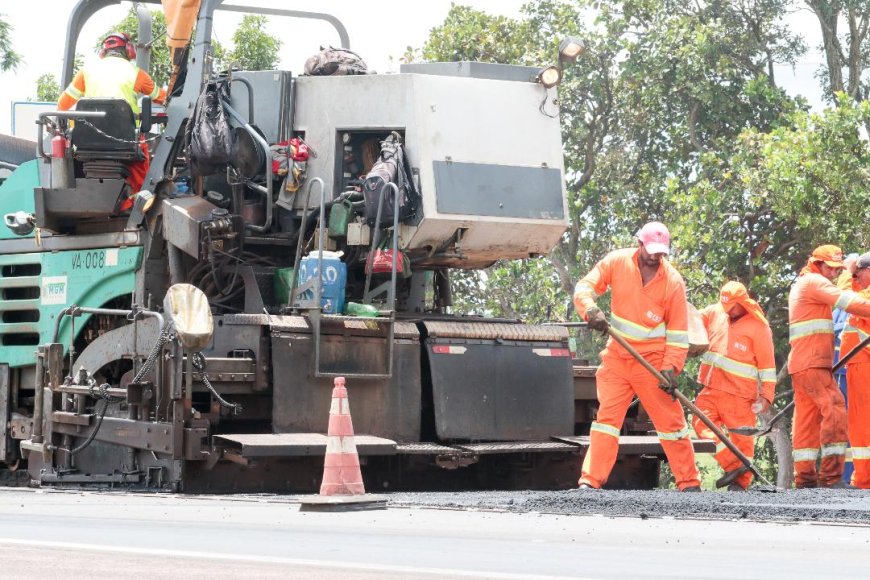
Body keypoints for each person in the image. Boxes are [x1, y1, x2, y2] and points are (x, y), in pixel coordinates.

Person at [573, 221, 700, 491]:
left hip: (652, 363)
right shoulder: (617, 262)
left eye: (661, 253)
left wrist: (671, 368)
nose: (655, 257)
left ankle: (689, 483)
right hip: (618, 358)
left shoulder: (673, 283)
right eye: (651, 251)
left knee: (672, 424)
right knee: (606, 423)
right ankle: (590, 482)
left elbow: (678, 333)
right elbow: (584, 287)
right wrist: (590, 309)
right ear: (639, 243)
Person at [787, 245, 870, 489]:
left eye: (837, 269)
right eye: (831, 268)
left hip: (802, 363)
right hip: (813, 362)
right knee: (835, 408)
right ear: (817, 264)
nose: (834, 273)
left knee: (807, 419)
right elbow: (849, 303)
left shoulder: (804, 283)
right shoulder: (815, 282)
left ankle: (805, 479)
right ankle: (831, 477)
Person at [58, 32, 166, 207]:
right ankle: (136, 204)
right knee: (141, 162)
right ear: (129, 50)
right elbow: (162, 97)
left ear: (103, 52)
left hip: (88, 142)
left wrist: (72, 129)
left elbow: (62, 104)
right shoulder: (136, 73)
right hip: (126, 141)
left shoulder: (86, 72)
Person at [692, 281, 776, 491]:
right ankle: (733, 466)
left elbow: (767, 366)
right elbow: (691, 318)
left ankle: (740, 483)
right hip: (711, 387)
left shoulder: (759, 327)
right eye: (724, 306)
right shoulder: (715, 312)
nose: (727, 311)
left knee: (742, 439)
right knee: (700, 424)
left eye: (732, 307)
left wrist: (766, 395)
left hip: (740, 395)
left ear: (743, 303)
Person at [839, 252, 870, 488]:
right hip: (859, 363)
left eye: (859, 273)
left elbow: (844, 299)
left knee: (861, 423)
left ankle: (864, 478)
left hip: (864, 364)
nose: (855, 278)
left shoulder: (864, 298)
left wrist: (848, 272)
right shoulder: (863, 293)